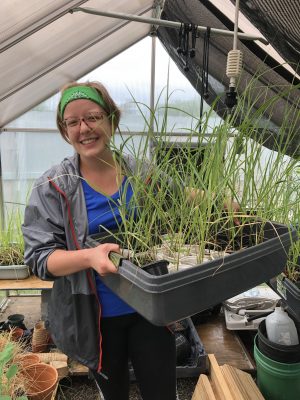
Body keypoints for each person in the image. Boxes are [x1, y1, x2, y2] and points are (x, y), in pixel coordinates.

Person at [22, 81, 177, 400]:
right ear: (65, 130)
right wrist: (89, 257)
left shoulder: (142, 173)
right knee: (113, 393)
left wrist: (230, 207)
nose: (84, 128)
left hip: (150, 310)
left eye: (92, 117)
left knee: (162, 392)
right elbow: (40, 258)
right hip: (95, 318)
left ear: (111, 119)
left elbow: (182, 201)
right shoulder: (53, 186)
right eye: (73, 122)